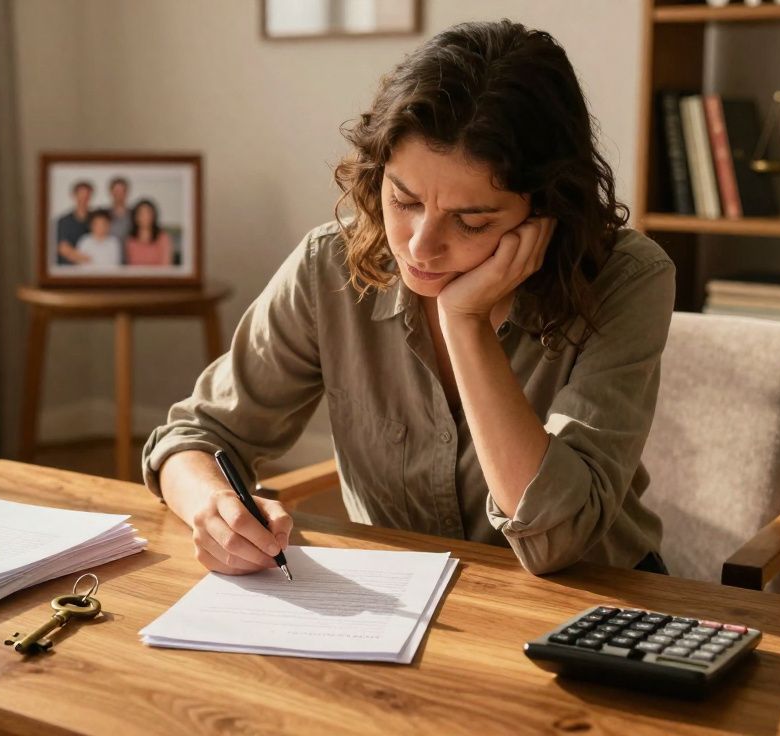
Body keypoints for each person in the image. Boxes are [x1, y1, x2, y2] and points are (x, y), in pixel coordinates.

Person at [142, 20, 675, 579]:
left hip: (595, 607)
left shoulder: (626, 280)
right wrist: (213, 508)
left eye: (470, 221)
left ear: (547, 212)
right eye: (403, 199)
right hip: (398, 608)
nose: (421, 247)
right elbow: (194, 437)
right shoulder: (330, 265)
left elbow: (556, 542)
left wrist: (463, 321)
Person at [54, 181, 95, 265]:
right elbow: (63, 248)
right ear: (74, 195)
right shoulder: (64, 221)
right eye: (81, 194)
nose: (84, 198)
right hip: (68, 268)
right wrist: (86, 259)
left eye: (87, 195)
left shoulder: (95, 219)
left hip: (91, 269)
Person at [124, 199, 174, 266]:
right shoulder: (130, 239)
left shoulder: (163, 237)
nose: (144, 217)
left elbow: (166, 266)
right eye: (141, 213)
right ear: (135, 217)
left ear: (154, 215)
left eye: (148, 213)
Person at [108, 177, 133, 243]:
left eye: (122, 191)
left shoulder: (134, 214)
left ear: (127, 192)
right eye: (116, 191)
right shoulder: (104, 215)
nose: (119, 194)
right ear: (111, 192)